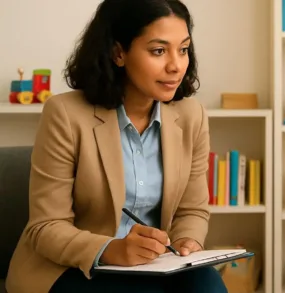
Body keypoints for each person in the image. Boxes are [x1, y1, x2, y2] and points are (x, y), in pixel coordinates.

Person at [5, 0, 228, 292]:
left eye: (183, 49)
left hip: (155, 263)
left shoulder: (191, 115)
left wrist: (188, 242)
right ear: (118, 53)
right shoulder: (64, 114)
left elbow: (192, 210)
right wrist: (113, 249)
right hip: (73, 265)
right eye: (158, 51)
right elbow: (46, 228)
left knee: (208, 285)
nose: (176, 66)